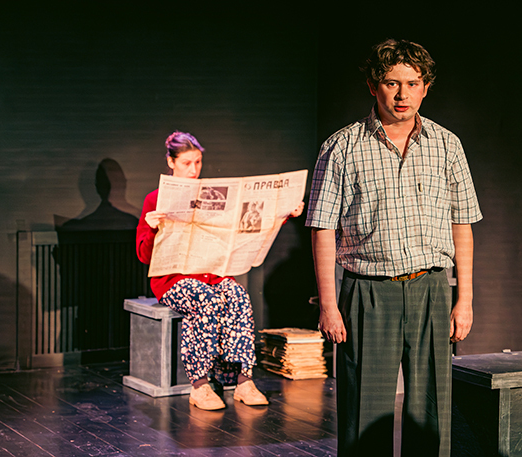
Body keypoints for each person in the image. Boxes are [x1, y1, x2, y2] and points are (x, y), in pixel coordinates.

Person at [305, 39, 482, 456]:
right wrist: (329, 305)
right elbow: (322, 229)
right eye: (391, 83)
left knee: (431, 413)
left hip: (431, 289)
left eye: (412, 83)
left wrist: (465, 300)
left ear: (426, 88)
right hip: (368, 293)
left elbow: (462, 224)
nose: (403, 94)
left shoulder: (446, 145)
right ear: (373, 86)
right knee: (364, 416)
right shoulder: (342, 147)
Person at [137, 131, 304, 411]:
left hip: (212, 274)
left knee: (238, 296)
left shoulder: (210, 194)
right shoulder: (155, 199)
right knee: (206, 299)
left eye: (198, 162)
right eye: (186, 163)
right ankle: (200, 385)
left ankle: (243, 380)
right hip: (173, 281)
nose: (193, 169)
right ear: (171, 162)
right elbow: (144, 256)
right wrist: (153, 229)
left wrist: (284, 214)